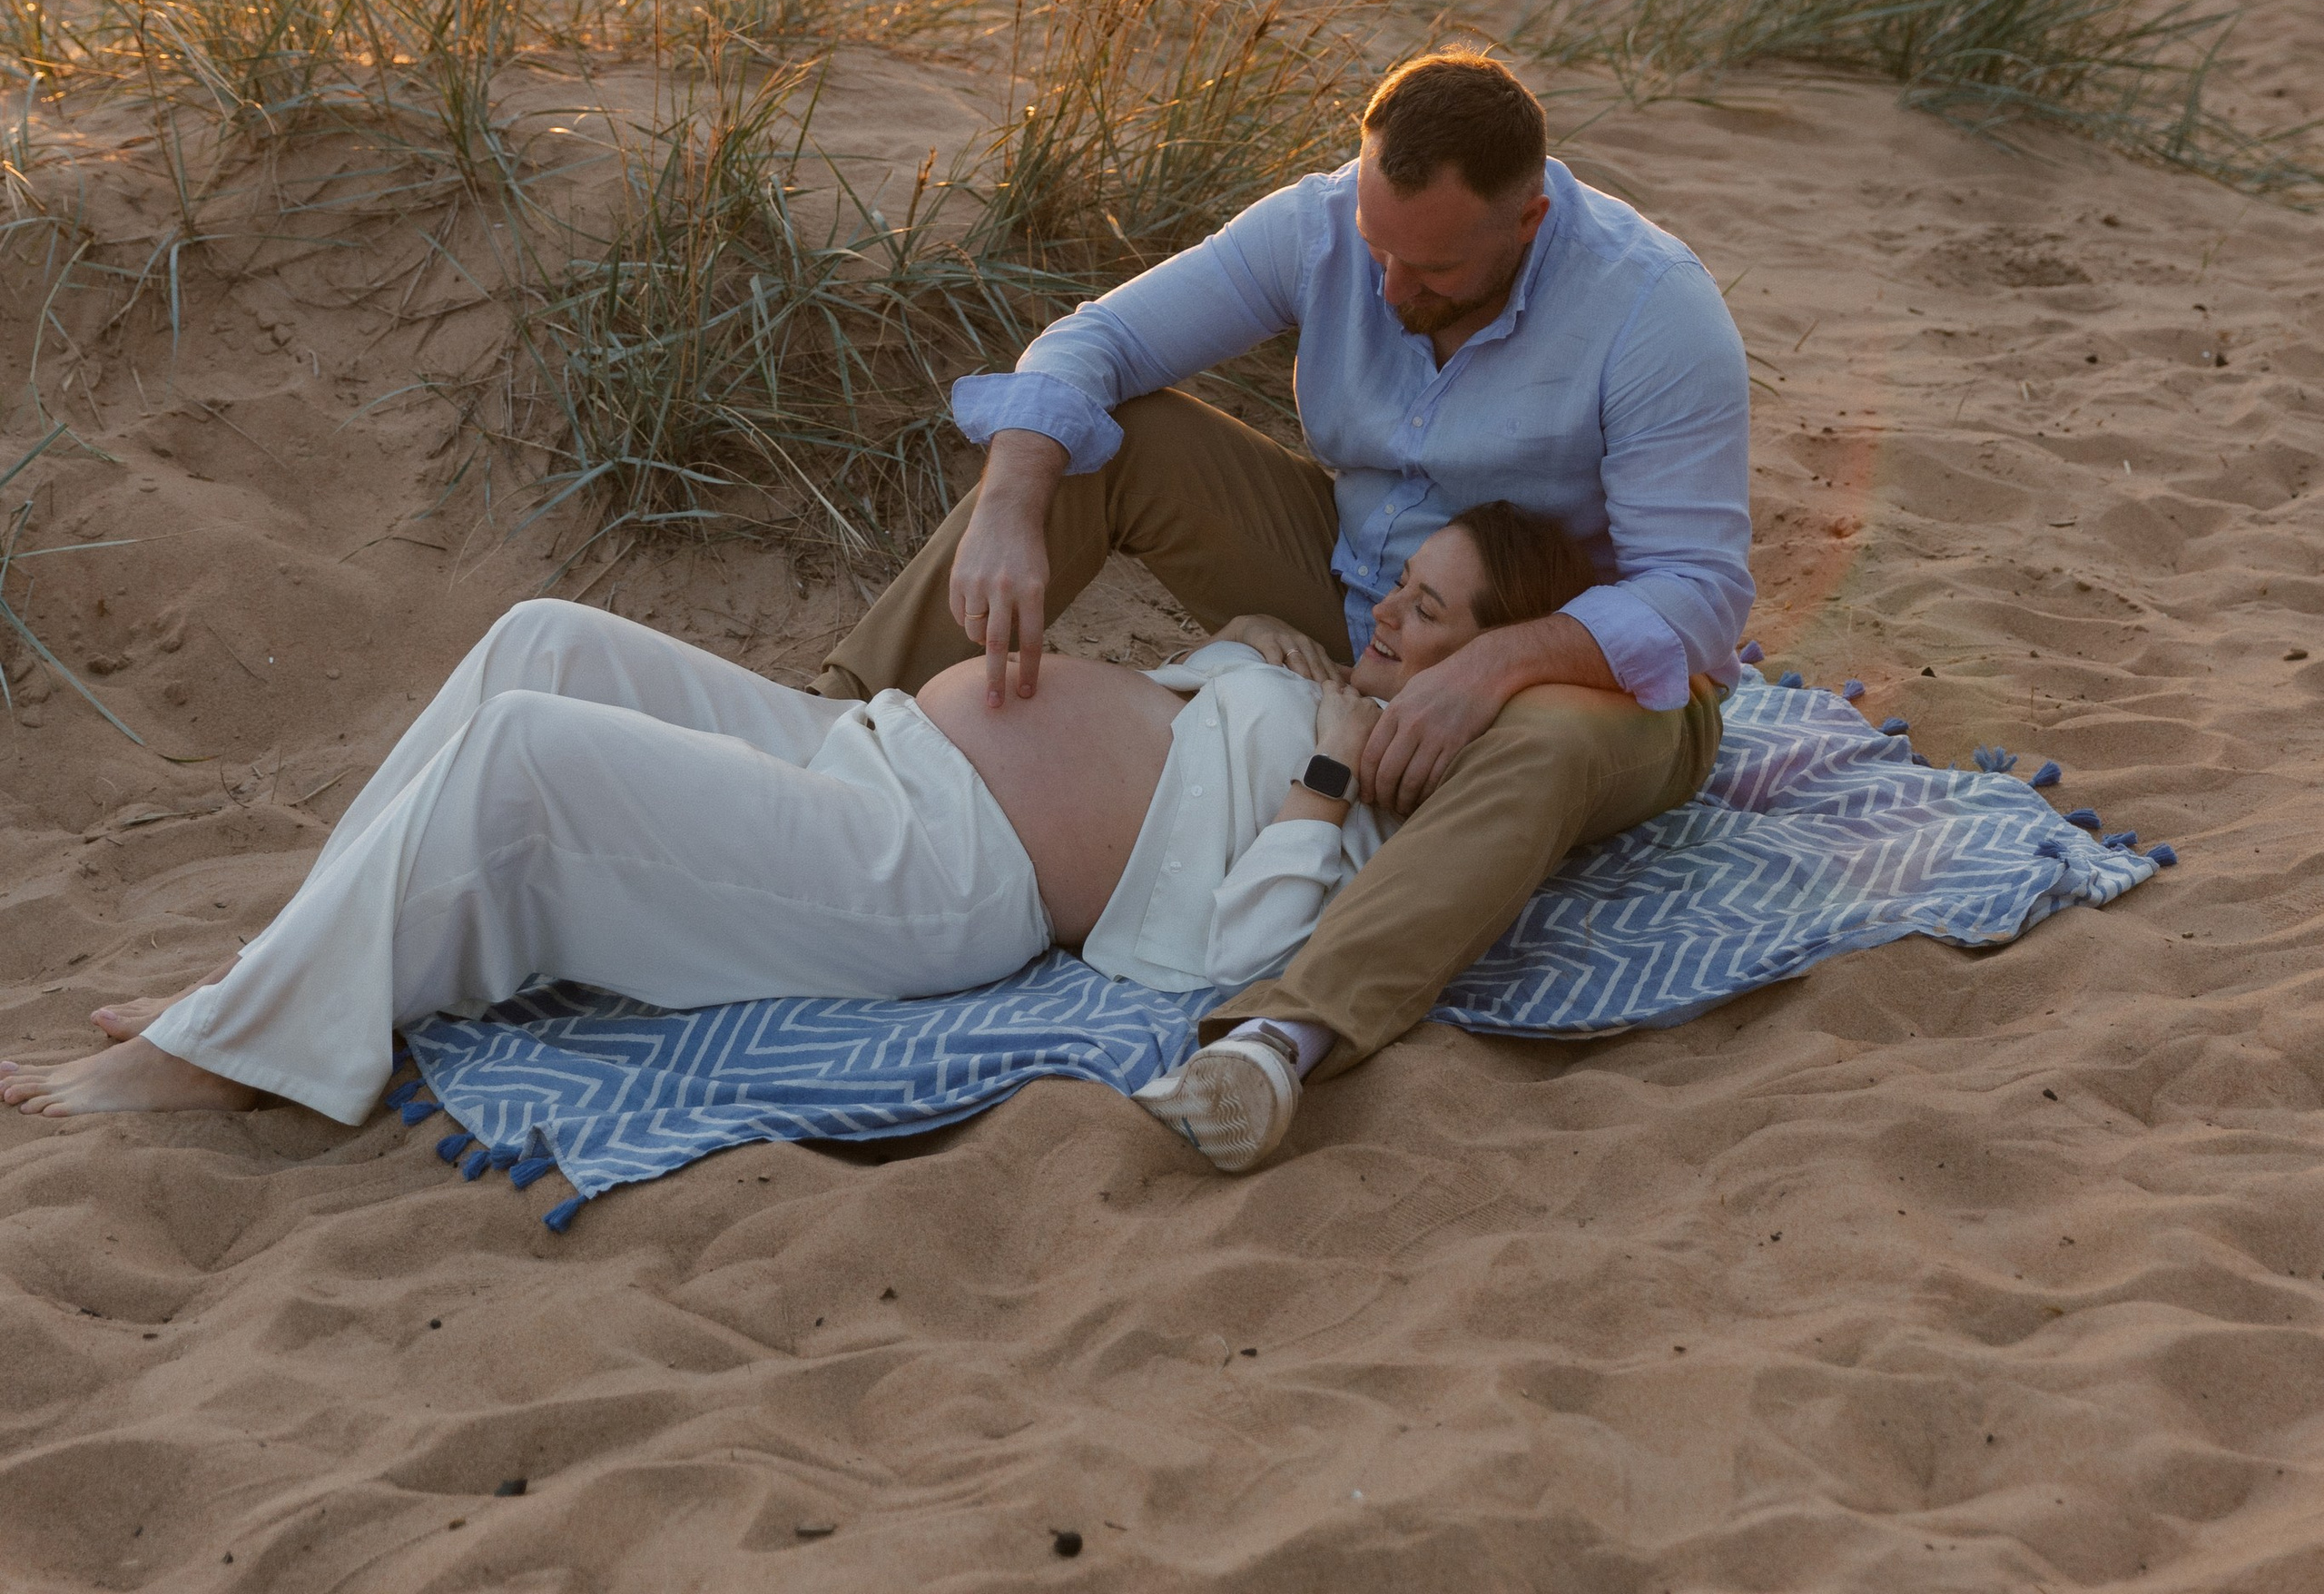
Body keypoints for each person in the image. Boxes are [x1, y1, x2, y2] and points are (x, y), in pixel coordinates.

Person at [0, 503, 1590, 1173]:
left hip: (942, 877)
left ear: (1483, 660)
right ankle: (270, 966)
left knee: (526, 763)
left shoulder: (1381, 802)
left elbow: (1240, 957)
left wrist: (1319, 769)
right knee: (541, 638)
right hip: (874, 750)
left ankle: (226, 1058)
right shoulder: (1315, 672)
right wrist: (1272, 668)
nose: (1387, 609)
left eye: (1427, 609)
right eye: (1401, 583)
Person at [819, 47, 1750, 1169]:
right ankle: (821, 731)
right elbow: (1094, 342)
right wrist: (1011, 499)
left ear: (1530, 219)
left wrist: (1493, 670)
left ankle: (1281, 1035)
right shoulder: (1318, 227)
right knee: (1103, 438)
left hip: (1584, 670)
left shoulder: (1653, 309)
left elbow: (1697, 597)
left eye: (1435, 271)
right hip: (1363, 593)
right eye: (1378, 252)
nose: (1392, 293)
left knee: (1545, 739)